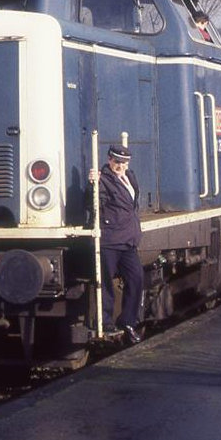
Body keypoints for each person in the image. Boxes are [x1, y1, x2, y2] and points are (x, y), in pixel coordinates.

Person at [88, 144, 145, 343]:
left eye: (124, 162)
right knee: (104, 283)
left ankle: (128, 320)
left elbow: (132, 204)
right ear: (109, 160)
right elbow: (94, 204)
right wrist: (92, 185)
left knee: (136, 278)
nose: (120, 165)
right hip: (110, 240)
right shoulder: (102, 180)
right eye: (117, 161)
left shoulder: (130, 177)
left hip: (129, 240)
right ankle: (105, 321)